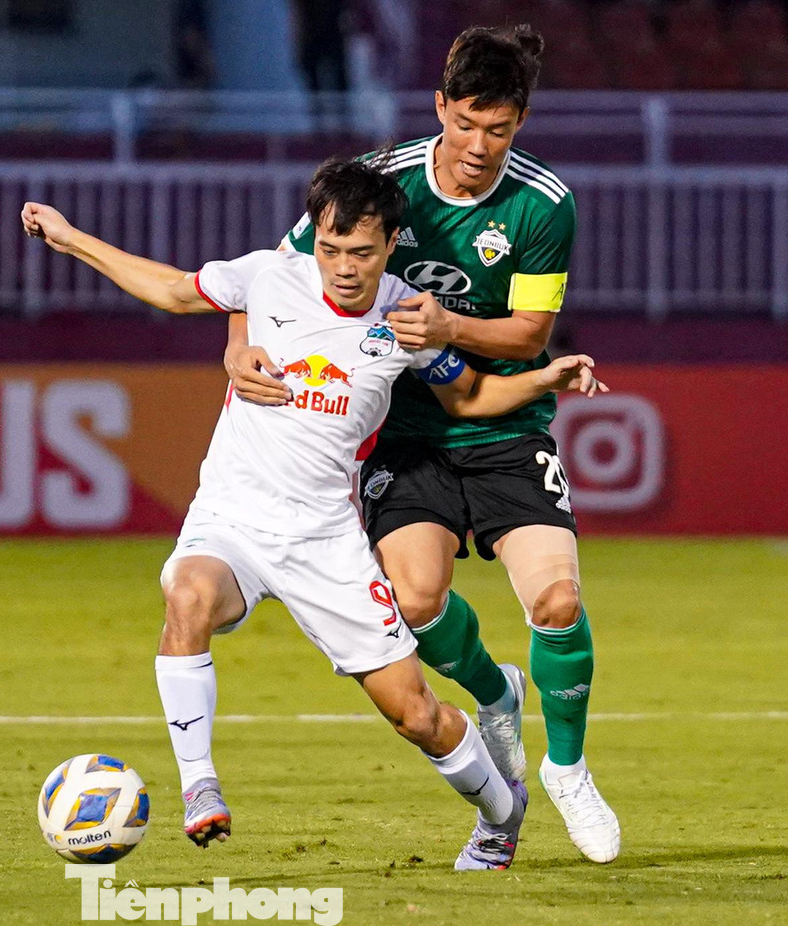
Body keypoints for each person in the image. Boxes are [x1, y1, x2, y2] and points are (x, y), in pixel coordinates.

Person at [21, 155, 606, 870]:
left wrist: (544, 377)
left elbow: (470, 399)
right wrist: (72, 237)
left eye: (361, 252)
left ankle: (502, 810)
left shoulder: (407, 319)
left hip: (325, 540)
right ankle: (200, 786)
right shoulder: (270, 273)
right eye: (330, 248)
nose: (343, 267)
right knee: (186, 595)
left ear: (392, 245)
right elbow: (175, 291)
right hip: (232, 515)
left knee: (417, 717)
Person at [224, 24, 621, 863]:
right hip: (404, 435)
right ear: (440, 106)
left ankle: (569, 769)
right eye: (467, 123)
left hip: (502, 421)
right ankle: (493, 690)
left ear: (521, 125)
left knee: (556, 602)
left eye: (500, 130)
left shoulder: (544, 204)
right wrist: (236, 343)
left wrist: (448, 323)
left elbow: (528, 336)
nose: (480, 147)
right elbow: (272, 272)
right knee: (412, 605)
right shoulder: (382, 182)